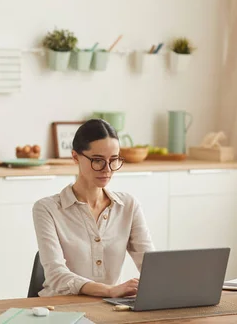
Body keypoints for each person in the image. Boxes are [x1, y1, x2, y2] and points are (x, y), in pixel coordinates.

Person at [33, 119, 154, 297]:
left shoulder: (128, 205)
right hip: (59, 308)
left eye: (114, 160)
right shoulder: (47, 209)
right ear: (75, 157)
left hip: (109, 309)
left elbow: (150, 266)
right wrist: (109, 290)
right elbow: (55, 275)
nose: (107, 169)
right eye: (98, 160)